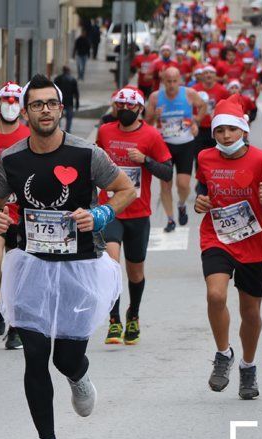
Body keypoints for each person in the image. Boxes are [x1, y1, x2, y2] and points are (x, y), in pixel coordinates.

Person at [0, 74, 136, 439]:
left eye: (51, 103)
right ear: (26, 111)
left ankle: (78, 374)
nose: (45, 110)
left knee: (65, 357)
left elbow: (125, 190)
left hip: (79, 267)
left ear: (61, 109)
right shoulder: (12, 159)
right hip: (31, 265)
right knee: (35, 355)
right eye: (37, 104)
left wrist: (101, 212)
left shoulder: (86, 154)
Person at [193, 98, 262, 399]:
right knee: (215, 294)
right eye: (220, 130)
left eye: (232, 130)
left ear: (243, 130)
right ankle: (223, 354)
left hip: (252, 242)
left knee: (251, 313)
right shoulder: (206, 158)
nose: (225, 136)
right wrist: (200, 201)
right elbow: (203, 188)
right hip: (217, 237)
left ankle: (248, 366)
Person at [97, 88, 173, 345]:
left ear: (140, 109)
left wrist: (145, 160)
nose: (125, 111)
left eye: (130, 107)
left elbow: (167, 171)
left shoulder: (151, 135)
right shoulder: (106, 131)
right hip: (111, 209)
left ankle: (134, 315)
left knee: (136, 272)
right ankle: (114, 320)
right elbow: (94, 163)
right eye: (120, 106)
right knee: (111, 264)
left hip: (139, 213)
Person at [0, 82, 31, 350]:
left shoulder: (28, 135)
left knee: (20, 271)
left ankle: (16, 327)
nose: (10, 105)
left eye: (15, 101)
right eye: (6, 100)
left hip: (22, 213)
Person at [145, 67, 207, 232]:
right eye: (168, 81)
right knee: (166, 184)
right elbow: (146, 123)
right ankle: (170, 219)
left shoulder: (189, 93)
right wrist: (154, 116)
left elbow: (202, 106)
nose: (171, 85)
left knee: (183, 184)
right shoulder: (155, 97)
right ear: (163, 81)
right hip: (163, 145)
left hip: (185, 143)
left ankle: (181, 204)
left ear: (179, 80)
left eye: (174, 81)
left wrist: (196, 122)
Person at [192, 65, 230, 152]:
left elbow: (227, 108)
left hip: (215, 128)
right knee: (199, 156)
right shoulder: (194, 90)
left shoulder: (222, 90)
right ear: (202, 76)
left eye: (211, 73)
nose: (208, 75)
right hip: (198, 127)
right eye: (206, 73)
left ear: (215, 76)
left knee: (216, 155)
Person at [53, 66, 80, 133]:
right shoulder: (73, 80)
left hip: (60, 101)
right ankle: (68, 132)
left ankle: (57, 130)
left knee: (58, 117)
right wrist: (77, 103)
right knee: (69, 118)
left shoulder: (57, 79)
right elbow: (76, 93)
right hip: (69, 102)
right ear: (69, 71)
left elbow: (54, 91)